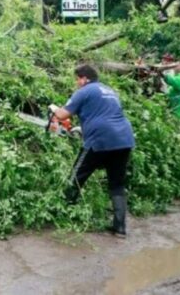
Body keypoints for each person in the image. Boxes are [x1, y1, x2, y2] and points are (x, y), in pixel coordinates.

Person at [49, 64, 135, 238]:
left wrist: (53, 108)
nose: (76, 82)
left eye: (77, 79)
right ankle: (120, 228)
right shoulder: (109, 90)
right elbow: (104, 114)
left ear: (84, 79)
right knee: (117, 184)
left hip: (100, 139)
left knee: (76, 176)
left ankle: (62, 215)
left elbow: (62, 115)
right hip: (123, 138)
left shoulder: (84, 91)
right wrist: (83, 127)